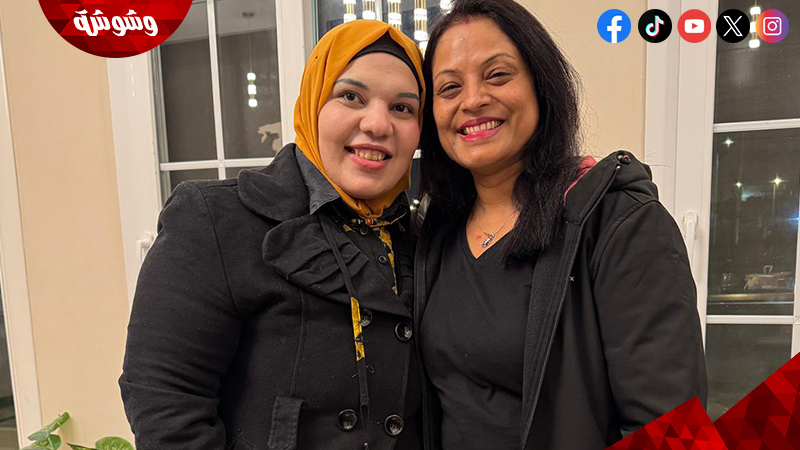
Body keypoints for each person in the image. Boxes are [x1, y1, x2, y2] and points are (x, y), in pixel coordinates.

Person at [413, 1, 708, 449]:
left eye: (497, 75)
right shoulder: (436, 230)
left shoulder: (618, 222)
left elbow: (670, 432)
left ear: (541, 85)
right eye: (449, 87)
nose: (472, 100)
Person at [119, 20, 426, 450]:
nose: (377, 124)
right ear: (313, 104)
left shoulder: (418, 238)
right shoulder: (215, 219)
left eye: (403, 108)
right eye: (351, 96)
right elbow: (165, 401)